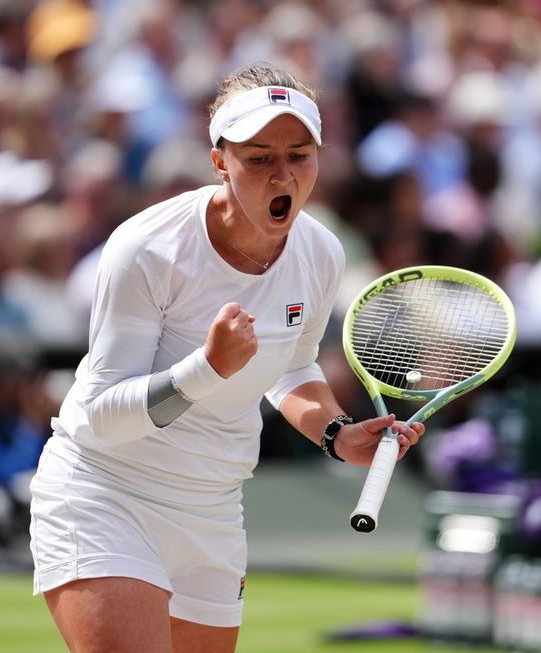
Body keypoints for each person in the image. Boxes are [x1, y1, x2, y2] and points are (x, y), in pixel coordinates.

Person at [29, 62, 425, 653]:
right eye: (259, 157)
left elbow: (293, 367)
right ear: (220, 160)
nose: (282, 174)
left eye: (300, 155)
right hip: (106, 492)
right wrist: (204, 371)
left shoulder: (321, 253)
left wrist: (336, 433)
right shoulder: (146, 247)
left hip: (212, 508)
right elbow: (102, 415)